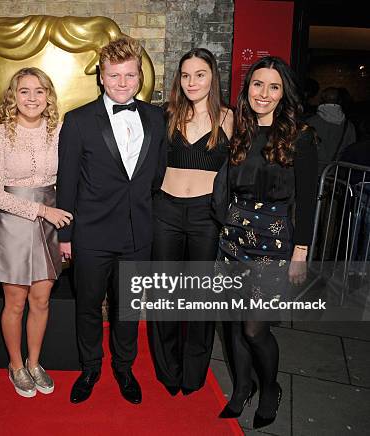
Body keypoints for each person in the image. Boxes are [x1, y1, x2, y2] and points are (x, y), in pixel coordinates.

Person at [56, 37, 166, 404]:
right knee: (87, 305)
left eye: (129, 75)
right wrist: (66, 236)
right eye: (114, 75)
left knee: (128, 308)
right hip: (90, 234)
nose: (122, 82)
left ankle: (124, 367)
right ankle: (90, 368)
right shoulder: (78, 120)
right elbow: (67, 183)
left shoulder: (156, 117)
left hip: (138, 233)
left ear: (139, 77)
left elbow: (156, 177)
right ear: (101, 77)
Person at [216, 56, 317, 429]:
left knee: (254, 328)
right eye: (258, 84)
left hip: (274, 245)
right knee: (232, 322)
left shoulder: (300, 137)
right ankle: (242, 389)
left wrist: (301, 252)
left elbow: (307, 200)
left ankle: (270, 387)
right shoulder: (239, 131)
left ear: (283, 93)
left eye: (273, 86)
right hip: (233, 239)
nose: (264, 93)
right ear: (248, 89)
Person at [0, 67, 71, 398]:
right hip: (11, 223)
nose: (32, 98)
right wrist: (41, 210)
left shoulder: (60, 131)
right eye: (24, 91)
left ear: (48, 95)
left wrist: (65, 229)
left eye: (39, 91)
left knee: (42, 298)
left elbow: (68, 181)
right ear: (13, 96)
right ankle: (15, 364)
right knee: (15, 301)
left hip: (52, 223)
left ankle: (35, 362)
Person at [150, 48, 233, 396]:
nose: (192, 82)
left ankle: (193, 373)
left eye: (199, 74)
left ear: (212, 77)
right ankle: (168, 370)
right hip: (165, 212)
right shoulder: (167, 115)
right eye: (185, 75)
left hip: (205, 217)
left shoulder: (230, 117)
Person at [307, 87, 356, 172]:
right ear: (339, 101)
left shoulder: (310, 122)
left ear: (321, 100)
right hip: (335, 175)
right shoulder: (349, 126)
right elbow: (351, 151)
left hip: (311, 172)